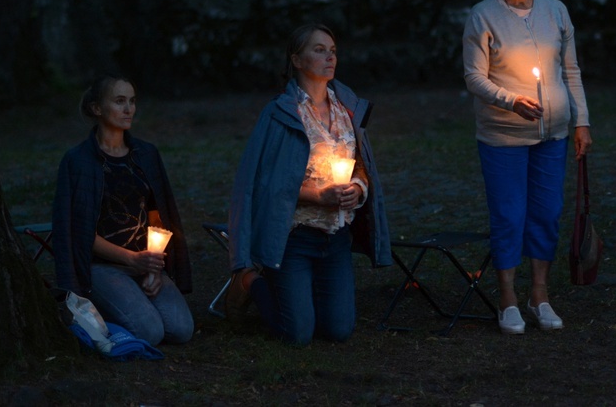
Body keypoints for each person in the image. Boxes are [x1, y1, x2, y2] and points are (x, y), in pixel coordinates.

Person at [225, 23, 391, 345]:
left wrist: (357, 188)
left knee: (338, 330)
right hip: (294, 238)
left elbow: (361, 166)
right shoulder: (280, 114)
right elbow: (262, 182)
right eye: (319, 50)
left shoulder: (348, 108)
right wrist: (317, 196)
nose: (330, 57)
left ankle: (305, 292)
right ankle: (249, 281)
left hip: (336, 236)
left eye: (333, 51)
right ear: (297, 60)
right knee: (297, 334)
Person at [462, 0, 593, 334]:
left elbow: (570, 70)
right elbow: (473, 76)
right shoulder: (483, 16)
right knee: (509, 215)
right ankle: (508, 299)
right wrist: (509, 101)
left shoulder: (555, 11)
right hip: (503, 138)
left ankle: (540, 294)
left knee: (546, 213)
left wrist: (581, 120)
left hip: (552, 135)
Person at [52, 75, 194, 346]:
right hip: (103, 267)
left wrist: (153, 266)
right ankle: (101, 312)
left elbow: (157, 214)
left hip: (144, 262)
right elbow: (78, 231)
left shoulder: (145, 154)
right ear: (97, 108)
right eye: (119, 102)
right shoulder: (78, 161)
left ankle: (134, 299)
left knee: (181, 330)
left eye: (132, 101)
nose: (129, 109)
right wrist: (131, 259)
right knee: (151, 332)